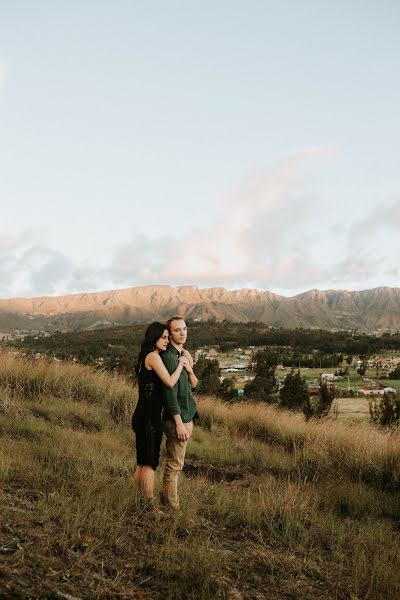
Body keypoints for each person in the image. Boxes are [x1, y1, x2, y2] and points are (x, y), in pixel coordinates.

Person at [131, 322, 190, 502]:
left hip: (142, 415)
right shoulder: (154, 357)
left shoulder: (146, 357)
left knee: (142, 462)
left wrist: (184, 353)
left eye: (167, 337)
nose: (166, 341)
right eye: (163, 337)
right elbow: (170, 382)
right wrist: (181, 365)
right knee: (150, 464)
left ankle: (134, 499)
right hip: (149, 417)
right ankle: (149, 504)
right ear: (154, 338)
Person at [161, 316, 198, 509]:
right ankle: (172, 509)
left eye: (184, 328)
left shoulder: (181, 355)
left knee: (178, 464)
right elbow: (169, 394)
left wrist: (189, 367)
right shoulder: (168, 357)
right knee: (174, 465)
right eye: (177, 330)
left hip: (187, 416)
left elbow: (194, 384)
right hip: (179, 419)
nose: (182, 333)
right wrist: (178, 423)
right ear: (170, 333)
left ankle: (167, 500)